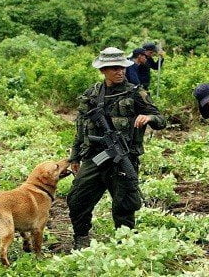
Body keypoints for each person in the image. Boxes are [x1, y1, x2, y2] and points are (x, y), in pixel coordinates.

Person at [67, 47, 166, 249]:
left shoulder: (136, 93)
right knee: (77, 199)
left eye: (121, 67)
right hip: (95, 157)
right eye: (114, 68)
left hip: (124, 158)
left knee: (125, 204)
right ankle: (81, 238)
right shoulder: (92, 94)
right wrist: (74, 157)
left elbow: (161, 119)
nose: (119, 72)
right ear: (103, 70)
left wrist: (149, 117)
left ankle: (125, 244)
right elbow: (80, 128)